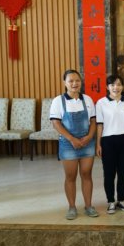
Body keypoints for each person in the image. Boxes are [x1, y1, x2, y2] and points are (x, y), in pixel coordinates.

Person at [50, 69, 98, 220]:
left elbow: (93, 121)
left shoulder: (87, 100)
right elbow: (56, 123)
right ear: (65, 83)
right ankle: (72, 207)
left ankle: (89, 206)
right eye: (71, 81)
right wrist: (72, 139)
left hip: (87, 143)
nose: (74, 83)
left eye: (77, 80)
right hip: (68, 144)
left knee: (86, 174)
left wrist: (89, 137)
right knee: (70, 176)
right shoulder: (58, 101)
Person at [95, 75, 124, 214]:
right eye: (112, 85)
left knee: (123, 173)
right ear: (107, 87)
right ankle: (110, 201)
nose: (116, 87)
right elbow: (99, 125)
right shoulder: (101, 103)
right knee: (109, 173)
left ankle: (121, 200)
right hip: (108, 141)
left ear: (123, 86)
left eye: (119, 84)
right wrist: (98, 144)